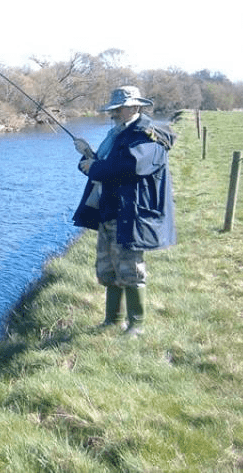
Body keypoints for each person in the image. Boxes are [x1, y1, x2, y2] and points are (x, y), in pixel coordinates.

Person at [72, 85, 176, 336]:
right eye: (113, 109)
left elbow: (128, 167)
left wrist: (93, 167)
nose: (114, 113)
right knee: (108, 269)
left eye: (119, 108)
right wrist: (88, 156)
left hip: (132, 213)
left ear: (135, 107)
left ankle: (136, 326)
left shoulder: (149, 136)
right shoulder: (118, 134)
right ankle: (112, 321)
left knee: (131, 270)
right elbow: (106, 164)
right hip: (110, 210)